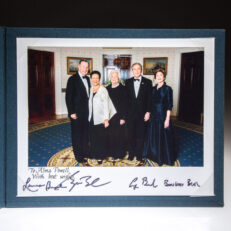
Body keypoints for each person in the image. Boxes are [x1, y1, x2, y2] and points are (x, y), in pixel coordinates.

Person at [143, 68, 177, 166]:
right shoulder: (153, 89)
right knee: (153, 136)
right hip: (153, 116)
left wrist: (167, 119)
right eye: (157, 75)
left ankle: (162, 157)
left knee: (163, 138)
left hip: (163, 116)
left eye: (160, 75)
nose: (158, 77)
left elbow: (169, 105)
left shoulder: (168, 89)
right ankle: (153, 155)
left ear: (164, 77)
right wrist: (148, 113)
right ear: (155, 77)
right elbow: (149, 102)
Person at [125, 63, 152, 161]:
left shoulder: (148, 82)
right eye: (134, 69)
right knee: (131, 135)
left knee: (141, 135)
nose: (136, 71)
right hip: (130, 114)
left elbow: (150, 99)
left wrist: (148, 112)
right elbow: (125, 99)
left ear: (141, 70)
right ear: (132, 70)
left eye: (138, 69)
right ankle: (131, 154)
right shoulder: (127, 82)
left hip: (142, 114)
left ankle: (139, 154)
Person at [65, 59, 91, 163]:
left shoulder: (88, 79)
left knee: (85, 134)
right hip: (76, 113)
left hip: (87, 112)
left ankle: (85, 152)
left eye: (87, 67)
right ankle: (78, 155)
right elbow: (68, 97)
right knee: (77, 135)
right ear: (79, 67)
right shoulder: (72, 79)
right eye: (83, 67)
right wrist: (71, 112)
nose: (85, 69)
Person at [88, 70, 116, 162]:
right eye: (93, 78)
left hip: (100, 118)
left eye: (97, 78)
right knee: (93, 137)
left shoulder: (103, 89)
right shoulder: (90, 89)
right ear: (91, 79)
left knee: (100, 138)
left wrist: (106, 119)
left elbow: (106, 105)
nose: (95, 80)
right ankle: (94, 153)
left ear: (99, 79)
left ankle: (100, 156)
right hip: (92, 117)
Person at [106, 71, 128, 159]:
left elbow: (126, 104)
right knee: (110, 135)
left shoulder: (123, 89)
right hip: (109, 116)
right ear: (110, 78)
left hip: (119, 117)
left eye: (115, 76)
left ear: (118, 78)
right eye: (112, 76)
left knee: (119, 136)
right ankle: (110, 152)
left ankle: (119, 153)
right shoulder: (106, 89)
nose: (114, 78)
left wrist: (123, 117)